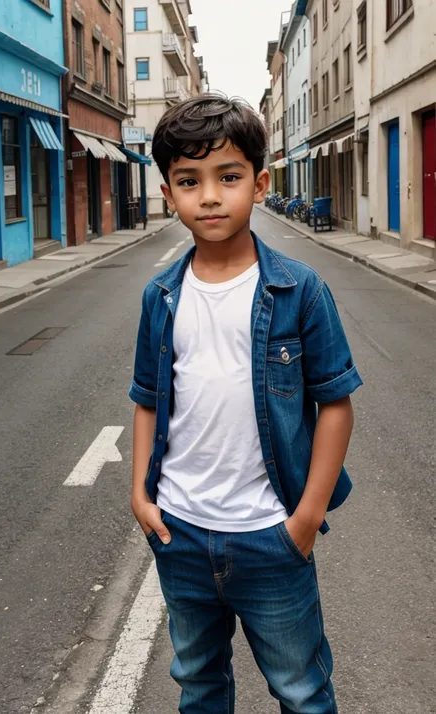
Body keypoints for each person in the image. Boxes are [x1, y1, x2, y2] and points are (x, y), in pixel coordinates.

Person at [129, 94, 363, 714]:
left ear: (259, 185)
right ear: (169, 192)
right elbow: (149, 401)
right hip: (179, 532)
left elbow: (335, 402)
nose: (209, 196)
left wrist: (306, 519)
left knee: (302, 690)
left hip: (270, 535)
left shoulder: (298, 290)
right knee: (199, 686)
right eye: (188, 181)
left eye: (227, 177)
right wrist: (140, 495)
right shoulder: (162, 297)